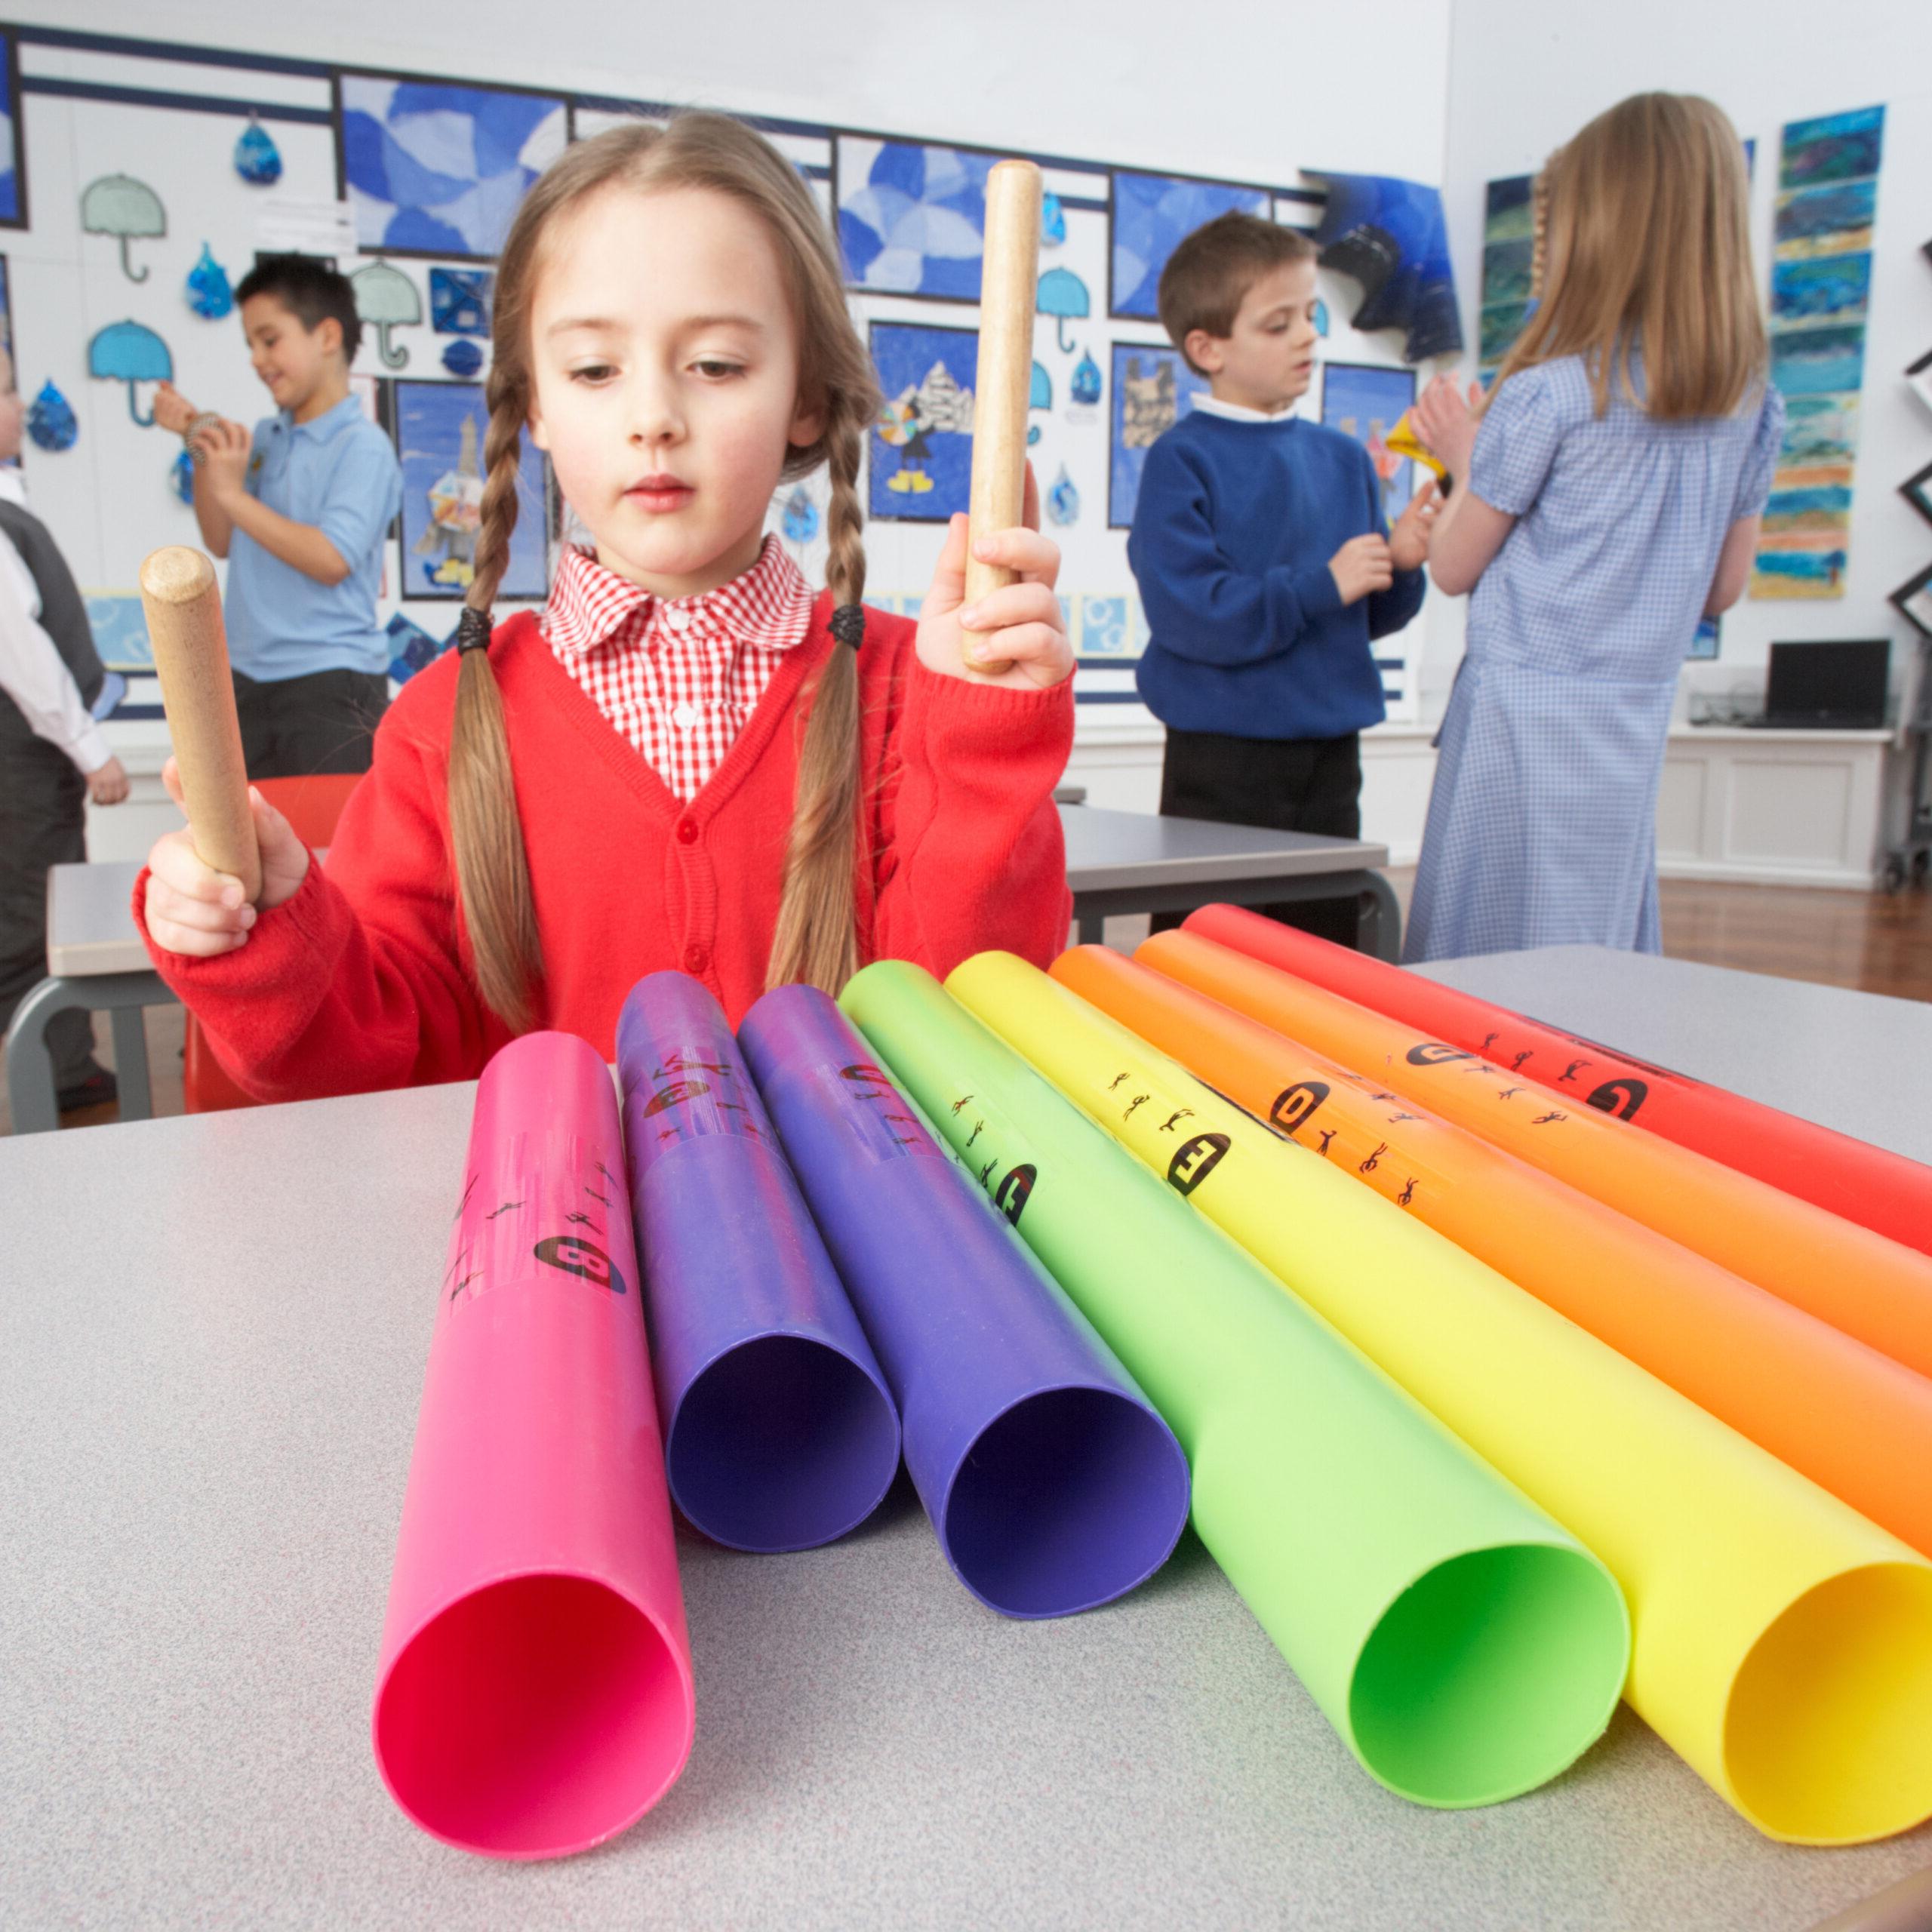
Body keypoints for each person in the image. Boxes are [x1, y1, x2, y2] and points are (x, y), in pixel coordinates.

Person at [133, 114, 1074, 1097]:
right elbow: (372, 1066)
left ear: (805, 395)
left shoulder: (909, 694)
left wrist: (981, 744)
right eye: (593, 370)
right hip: (549, 1249)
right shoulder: (446, 727)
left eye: (715, 364)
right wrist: (275, 933)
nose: (654, 417)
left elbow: (970, 1038)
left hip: (841, 1250)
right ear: (533, 402)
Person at [1404, 92, 1782, 961]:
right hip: (1634, 712)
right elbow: (1722, 590)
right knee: (1593, 939)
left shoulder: (1551, 394)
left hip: (1517, 717)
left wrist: (1467, 455)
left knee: (1487, 950)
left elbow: (1455, 566)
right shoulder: (1753, 406)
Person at [1128, 213, 1438, 945]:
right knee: (1210, 944)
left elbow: (1364, 618)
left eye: (1308, 316)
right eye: (1277, 324)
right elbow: (1189, 613)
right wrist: (1318, 585)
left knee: (1323, 940)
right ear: (1207, 348)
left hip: (1331, 747)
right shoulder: (1182, 459)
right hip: (1223, 751)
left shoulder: (1343, 458)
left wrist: (1400, 566)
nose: (1306, 337)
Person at [152, 254, 401, 777]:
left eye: (270, 339)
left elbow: (331, 559)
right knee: (253, 853)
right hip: (245, 682)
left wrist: (234, 493)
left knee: (328, 854)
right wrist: (202, 451)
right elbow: (222, 540)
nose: (256, 359)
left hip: (330, 686)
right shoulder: (265, 438)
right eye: (250, 344)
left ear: (327, 336)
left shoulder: (364, 447)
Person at [0, 345, 129, 1113]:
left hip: (27, 754)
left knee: (30, 901)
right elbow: (21, 651)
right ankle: (55, 1072)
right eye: (8, 391)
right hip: (26, 754)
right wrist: (91, 749)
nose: (16, 405)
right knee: (33, 908)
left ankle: (58, 1062)